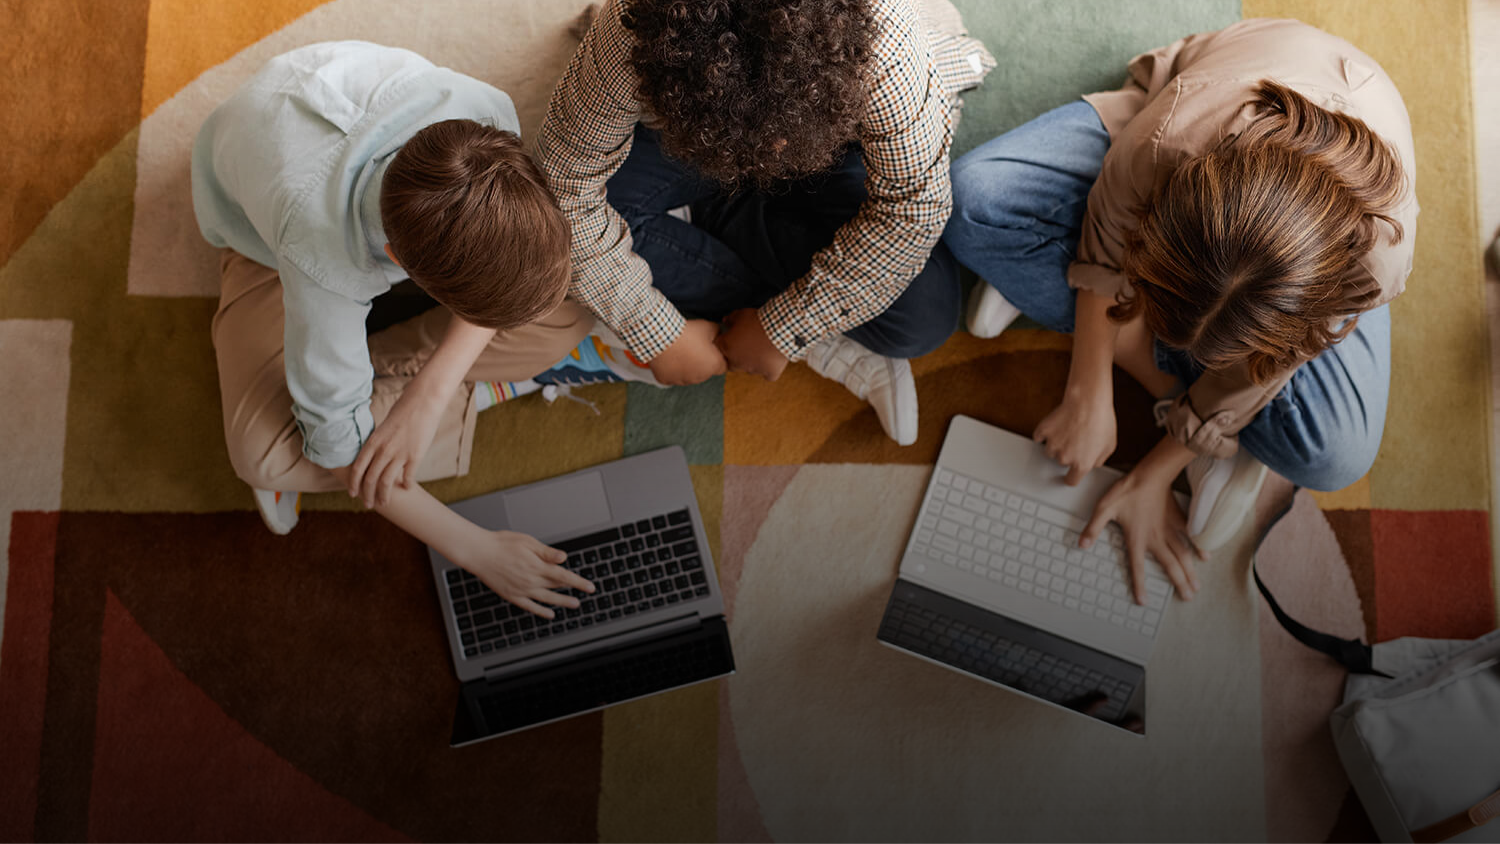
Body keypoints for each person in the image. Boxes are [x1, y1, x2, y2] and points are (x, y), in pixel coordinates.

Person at [943, 19, 1417, 601]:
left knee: (1335, 458)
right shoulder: (1170, 137)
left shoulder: (1375, 263)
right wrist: (1086, 392)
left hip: (1327, 239)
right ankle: (1181, 389)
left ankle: (1069, 293)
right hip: (1189, 121)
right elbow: (1111, 234)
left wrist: (1159, 466)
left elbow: (1272, 365)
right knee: (972, 202)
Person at [194, 41, 601, 618]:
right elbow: (336, 449)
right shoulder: (322, 263)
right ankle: (460, 388)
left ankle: (419, 393)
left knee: (576, 307)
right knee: (265, 455)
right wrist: (475, 548)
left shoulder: (485, 121)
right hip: (266, 244)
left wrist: (427, 396)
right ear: (397, 261)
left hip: (333, 154)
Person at [536, 0, 995, 445]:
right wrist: (654, 330)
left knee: (926, 315)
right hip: (692, 130)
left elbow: (912, 210)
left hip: (841, 140)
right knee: (545, 226)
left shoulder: (884, 40)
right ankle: (823, 342)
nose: (765, 163)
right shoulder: (636, 26)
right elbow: (562, 187)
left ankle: (718, 233)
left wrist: (784, 328)